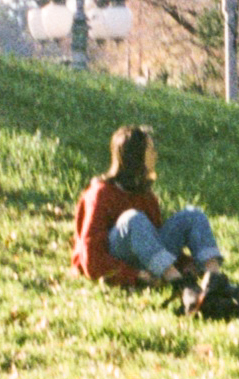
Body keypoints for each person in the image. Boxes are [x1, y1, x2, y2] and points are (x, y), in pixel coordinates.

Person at [72, 124, 229, 310]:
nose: (155, 154)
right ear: (135, 156)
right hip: (120, 260)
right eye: (151, 149)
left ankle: (214, 281)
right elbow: (91, 258)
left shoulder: (146, 196)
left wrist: (186, 264)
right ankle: (180, 284)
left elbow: (154, 245)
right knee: (133, 219)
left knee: (192, 215)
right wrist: (135, 275)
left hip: (149, 263)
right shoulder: (100, 193)